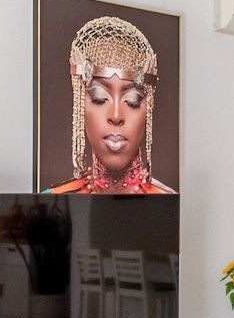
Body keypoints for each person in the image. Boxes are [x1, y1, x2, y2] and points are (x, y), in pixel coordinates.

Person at [49, 15, 176, 194]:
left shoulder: (167, 203)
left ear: (148, 108)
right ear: (80, 104)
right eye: (99, 97)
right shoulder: (55, 200)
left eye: (132, 100)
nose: (116, 116)